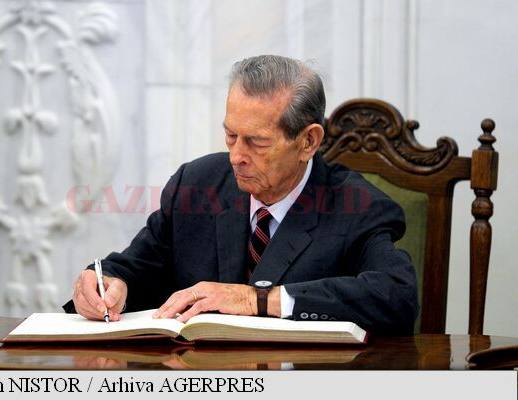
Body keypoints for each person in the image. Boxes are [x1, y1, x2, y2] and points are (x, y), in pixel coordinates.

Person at [65, 55, 419, 334]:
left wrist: (258, 299)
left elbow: (396, 297)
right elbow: (136, 268)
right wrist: (106, 285)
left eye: (256, 142)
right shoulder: (197, 183)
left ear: (308, 141)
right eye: (231, 136)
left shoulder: (358, 206)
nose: (236, 157)